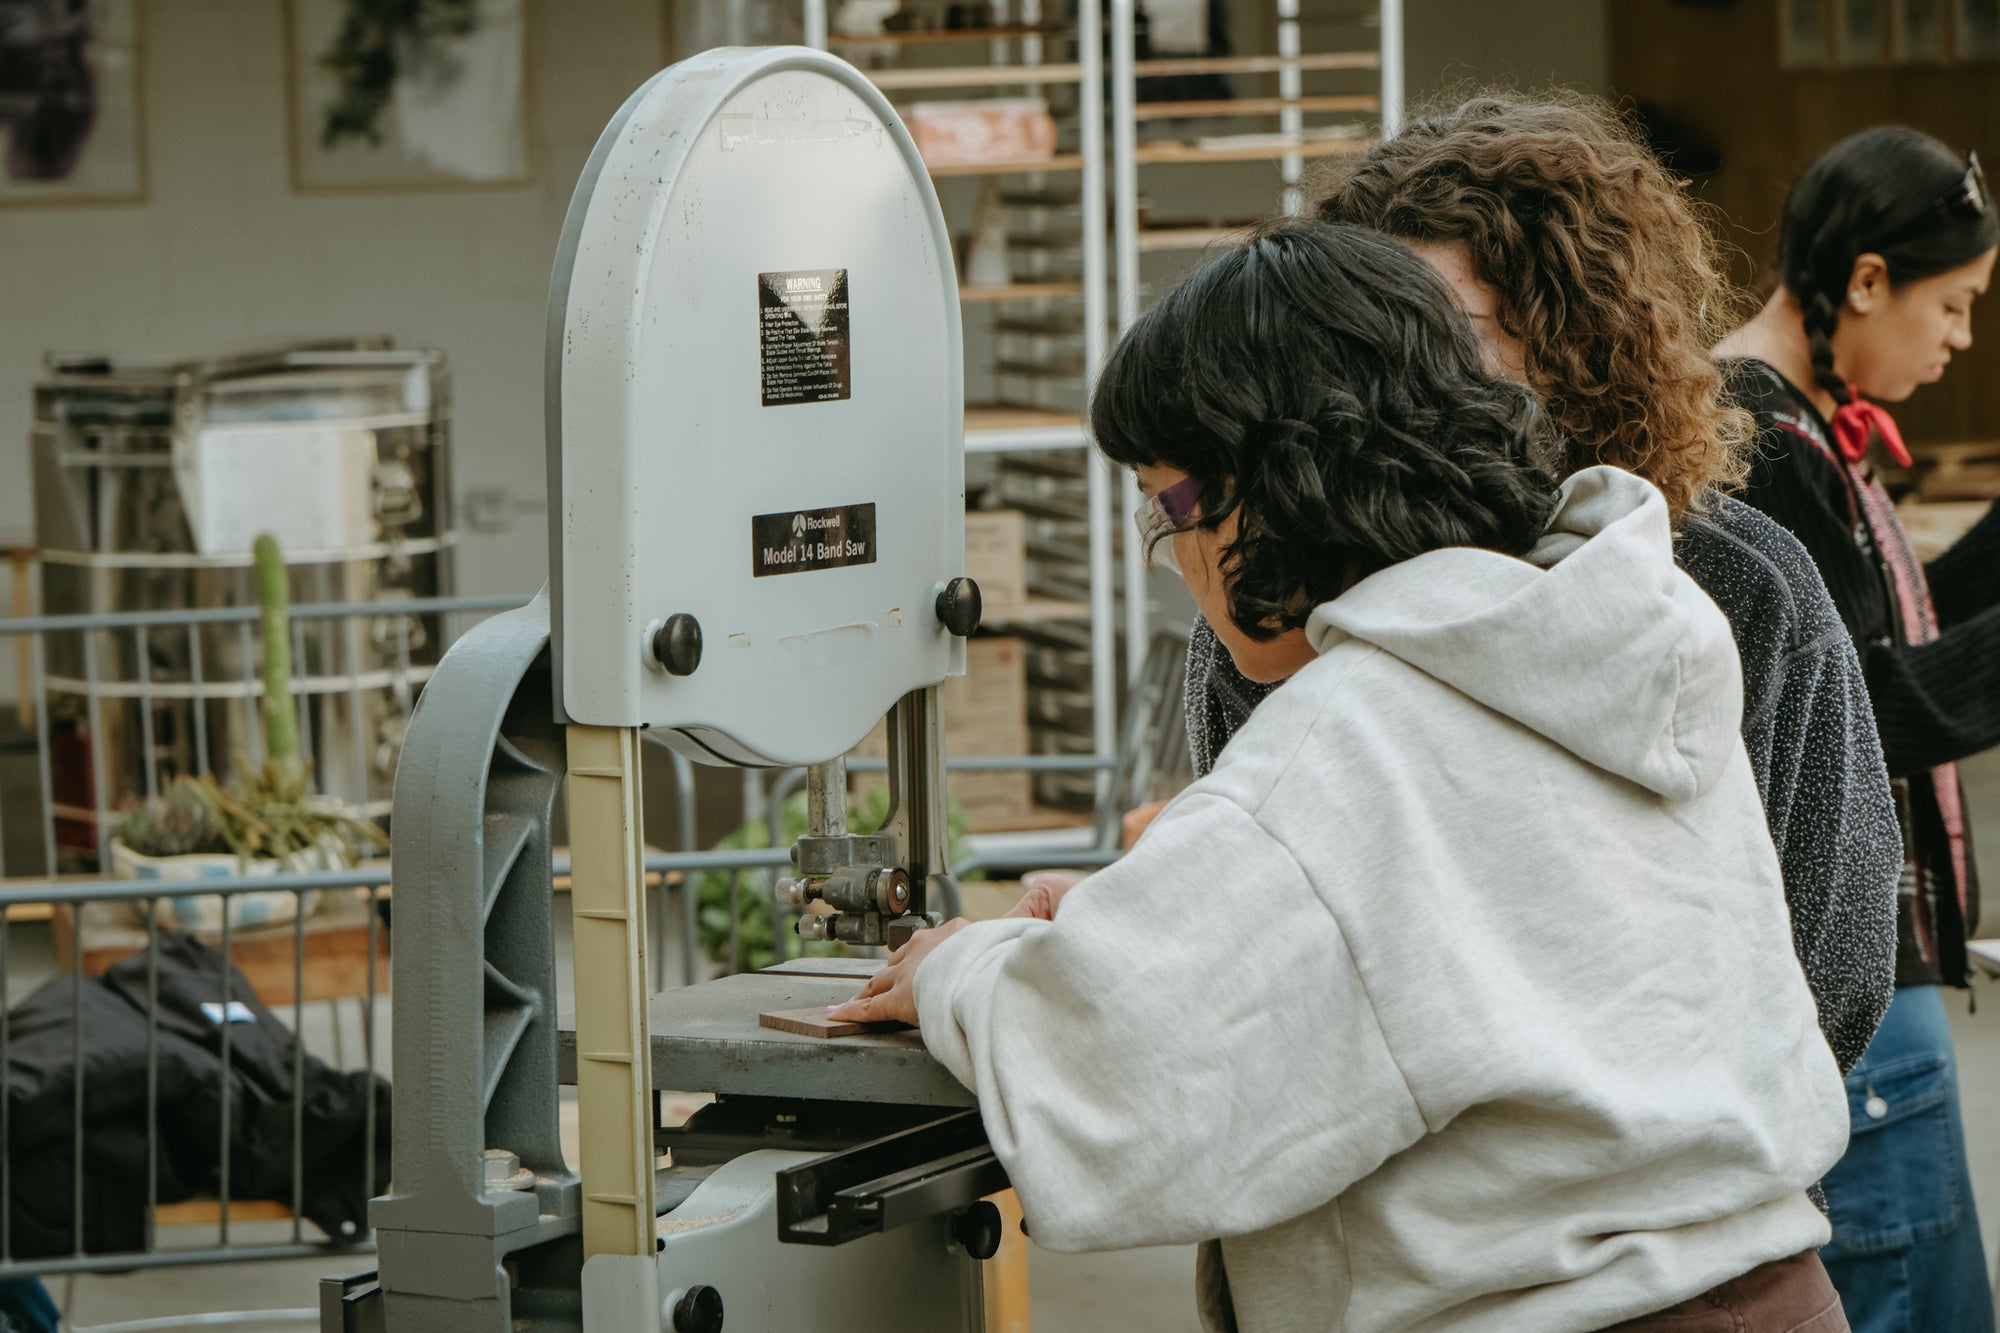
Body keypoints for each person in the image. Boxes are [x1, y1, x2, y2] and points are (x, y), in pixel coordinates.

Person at [835, 219, 1852, 1332]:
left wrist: (958, 969)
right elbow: (1487, 930)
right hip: (1777, 1295)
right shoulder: (1606, 634)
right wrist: (1180, 907)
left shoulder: (1348, 734)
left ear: (1260, 491)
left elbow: (1116, 1075)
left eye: (1166, 504)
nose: (1170, 554)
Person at [1164, 93, 1901, 1076]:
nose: (1406, 379)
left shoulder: (1741, 586)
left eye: (1452, 333)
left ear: (1577, 345)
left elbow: (1831, 968)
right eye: (1372, 337)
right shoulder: (1274, 609)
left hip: (1679, 1158)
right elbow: (1254, 938)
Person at [1714, 124, 2000, 1333]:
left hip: (1867, 968)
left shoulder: (1796, 422)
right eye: (1953, 304)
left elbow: (1896, 630)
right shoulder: (1759, 446)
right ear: (1867, 279)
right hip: (1851, 976)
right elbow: (1862, 710)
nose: (1961, 338)